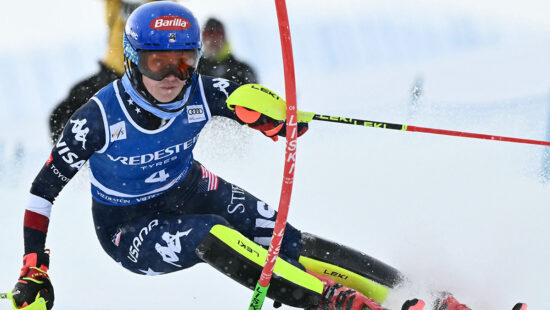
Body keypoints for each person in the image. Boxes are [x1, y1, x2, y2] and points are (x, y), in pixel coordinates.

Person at [10, 2, 470, 310]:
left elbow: (240, 95)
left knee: (292, 244)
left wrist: (273, 116)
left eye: (185, 60)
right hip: (127, 226)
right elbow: (41, 190)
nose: (174, 75)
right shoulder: (96, 118)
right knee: (209, 234)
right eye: (158, 63)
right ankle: (336, 302)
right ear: (133, 59)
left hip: (191, 187)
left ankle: (421, 297)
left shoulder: (199, 89)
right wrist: (35, 266)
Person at [48, 2, 258, 145]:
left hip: (152, 76)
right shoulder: (115, 4)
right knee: (63, 115)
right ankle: (84, 174)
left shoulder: (163, 6)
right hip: (114, 72)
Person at [198, 17, 258, 85]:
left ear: (225, 37)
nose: (213, 38)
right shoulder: (195, 70)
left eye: (218, 33)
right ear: (202, 38)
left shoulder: (243, 70)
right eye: (208, 33)